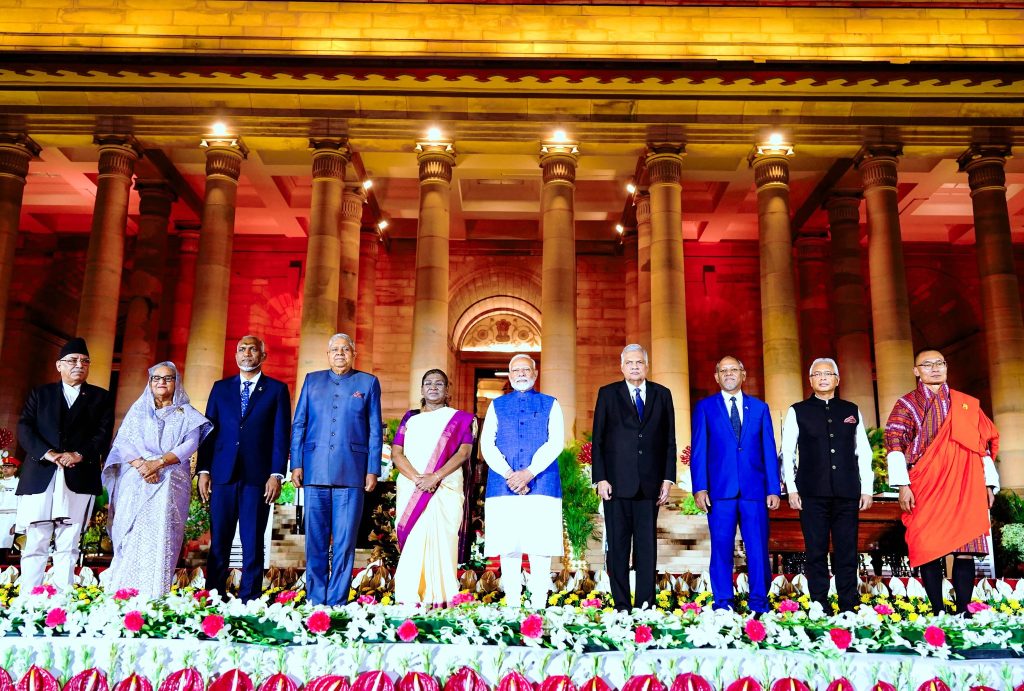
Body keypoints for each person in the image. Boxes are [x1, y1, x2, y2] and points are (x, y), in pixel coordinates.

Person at [885, 348, 1000, 616]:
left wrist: (989, 484)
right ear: (916, 371)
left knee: (966, 548)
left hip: (965, 483)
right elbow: (895, 444)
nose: (935, 368)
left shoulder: (966, 404)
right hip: (925, 484)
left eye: (940, 363)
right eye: (927, 364)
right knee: (929, 547)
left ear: (947, 367)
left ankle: (964, 611)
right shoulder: (906, 404)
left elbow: (981, 446)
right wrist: (902, 485)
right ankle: (937, 611)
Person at [102, 362, 212, 598]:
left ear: (176, 383)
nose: (162, 382)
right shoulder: (138, 410)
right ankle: (122, 594)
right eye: (156, 378)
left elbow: (190, 445)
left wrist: (159, 463)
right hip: (136, 481)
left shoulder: (187, 414)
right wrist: (142, 465)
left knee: (162, 537)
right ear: (150, 382)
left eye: (168, 378)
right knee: (130, 535)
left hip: (170, 483)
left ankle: (154, 595)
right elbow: (123, 441)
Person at [197, 335, 291, 601]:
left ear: (263, 356)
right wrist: (204, 470)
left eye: (252, 349)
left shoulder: (276, 390)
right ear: (236, 355)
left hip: (257, 478)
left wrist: (276, 474)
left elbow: (280, 435)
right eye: (242, 349)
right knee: (220, 540)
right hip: (222, 475)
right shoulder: (220, 388)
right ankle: (214, 596)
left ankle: (249, 599)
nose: (247, 353)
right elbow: (208, 431)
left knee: (253, 541)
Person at [290, 333, 382, 606]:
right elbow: (299, 424)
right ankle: (316, 599)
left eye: (345, 349)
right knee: (315, 541)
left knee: (344, 541)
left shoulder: (367, 383)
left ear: (354, 354)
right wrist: (296, 464)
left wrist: (372, 469)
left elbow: (374, 429)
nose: (340, 353)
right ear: (328, 355)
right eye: (335, 350)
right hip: (314, 470)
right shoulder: (312, 380)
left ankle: (337, 601)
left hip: (352, 471)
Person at [15, 337, 114, 589]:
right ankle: (29, 597)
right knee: (36, 540)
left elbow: (103, 434)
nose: (79, 365)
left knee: (68, 542)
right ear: (59, 365)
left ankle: (62, 598)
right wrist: (48, 453)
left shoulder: (100, 397)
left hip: (79, 474)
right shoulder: (41, 394)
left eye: (84, 361)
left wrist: (79, 454)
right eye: (72, 360)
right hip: (41, 474)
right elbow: (25, 428)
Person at [780, 357, 874, 614]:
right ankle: (819, 604)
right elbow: (787, 452)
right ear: (810, 380)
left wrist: (867, 487)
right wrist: (792, 489)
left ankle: (848, 605)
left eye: (828, 373)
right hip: (811, 493)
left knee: (847, 551)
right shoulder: (798, 410)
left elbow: (863, 451)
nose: (823, 378)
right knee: (816, 551)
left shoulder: (851, 410)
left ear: (837, 379)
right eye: (818, 374)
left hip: (847, 492)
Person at [690, 356, 781, 613]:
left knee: (758, 549)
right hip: (720, 492)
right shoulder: (705, 408)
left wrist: (773, 488)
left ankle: (759, 603)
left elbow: (768, 450)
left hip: (755, 491)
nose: (729, 374)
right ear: (716, 377)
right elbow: (699, 450)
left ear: (743, 374)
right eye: (723, 371)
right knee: (721, 550)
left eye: (733, 370)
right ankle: (723, 604)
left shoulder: (760, 408)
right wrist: (700, 487)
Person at [591, 344, 676, 611]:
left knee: (646, 547)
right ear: (622, 367)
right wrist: (600, 478)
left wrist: (667, 479)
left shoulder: (662, 394)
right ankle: (621, 605)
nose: (635, 367)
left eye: (639, 362)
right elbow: (598, 440)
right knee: (617, 548)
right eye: (629, 363)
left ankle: (645, 605)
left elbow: (669, 441)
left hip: (650, 485)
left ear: (647, 366)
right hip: (615, 485)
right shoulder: (607, 394)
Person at [481, 353, 564, 609]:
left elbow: (555, 442)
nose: (521, 374)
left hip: (542, 484)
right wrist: (510, 474)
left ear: (535, 373)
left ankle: (539, 605)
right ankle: (513, 605)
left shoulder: (551, 403)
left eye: (526, 370)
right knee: (508, 547)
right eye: (516, 370)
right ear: (509, 375)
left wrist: (529, 473)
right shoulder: (496, 405)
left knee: (540, 546)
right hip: (503, 485)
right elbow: (487, 444)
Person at [391, 369, 475, 605]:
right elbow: (397, 454)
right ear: (421, 389)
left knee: (443, 541)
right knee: (414, 539)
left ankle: (443, 596)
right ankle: (409, 597)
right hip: (413, 487)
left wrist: (435, 477)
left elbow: (464, 452)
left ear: (447, 390)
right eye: (428, 383)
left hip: (445, 487)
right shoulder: (410, 418)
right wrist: (419, 479)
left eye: (439, 383)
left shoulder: (459, 419)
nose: (433, 387)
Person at [0, 457, 20, 561]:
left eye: (8, 466)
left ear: (15, 469)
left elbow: (21, 504)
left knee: (5, 548)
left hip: (10, 517)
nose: (5, 468)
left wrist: (17, 523)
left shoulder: (18, 483)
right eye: (4, 466)